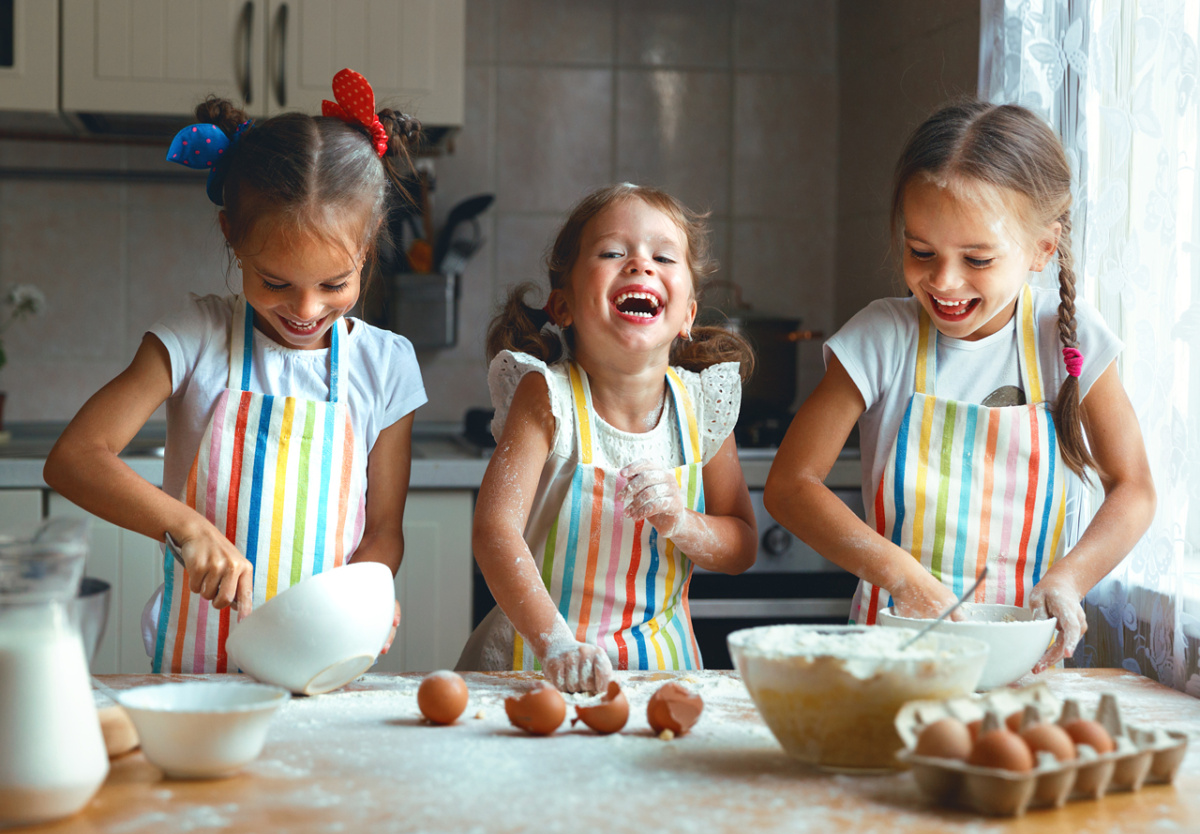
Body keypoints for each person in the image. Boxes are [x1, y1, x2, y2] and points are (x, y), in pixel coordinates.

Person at [43, 69, 427, 673]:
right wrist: (186, 528)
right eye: (275, 282)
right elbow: (74, 458)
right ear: (231, 235)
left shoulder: (386, 366)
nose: (305, 311)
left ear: (371, 241)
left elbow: (383, 528)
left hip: (321, 667)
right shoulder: (194, 338)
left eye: (334, 284)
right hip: (195, 678)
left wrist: (366, 593)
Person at [764, 100, 1155, 671]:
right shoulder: (881, 336)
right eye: (921, 251)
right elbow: (790, 486)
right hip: (894, 652)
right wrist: (904, 578)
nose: (943, 281)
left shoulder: (1065, 338)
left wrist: (1070, 580)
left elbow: (1135, 488)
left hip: (1023, 658)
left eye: (977, 258)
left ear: (1043, 248)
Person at [457, 184, 758, 693]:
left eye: (663, 256)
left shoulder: (700, 408)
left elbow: (742, 545)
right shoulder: (546, 397)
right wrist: (555, 643)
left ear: (687, 314)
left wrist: (681, 522)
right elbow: (494, 533)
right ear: (563, 305)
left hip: (662, 676)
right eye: (613, 253)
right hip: (534, 666)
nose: (640, 264)